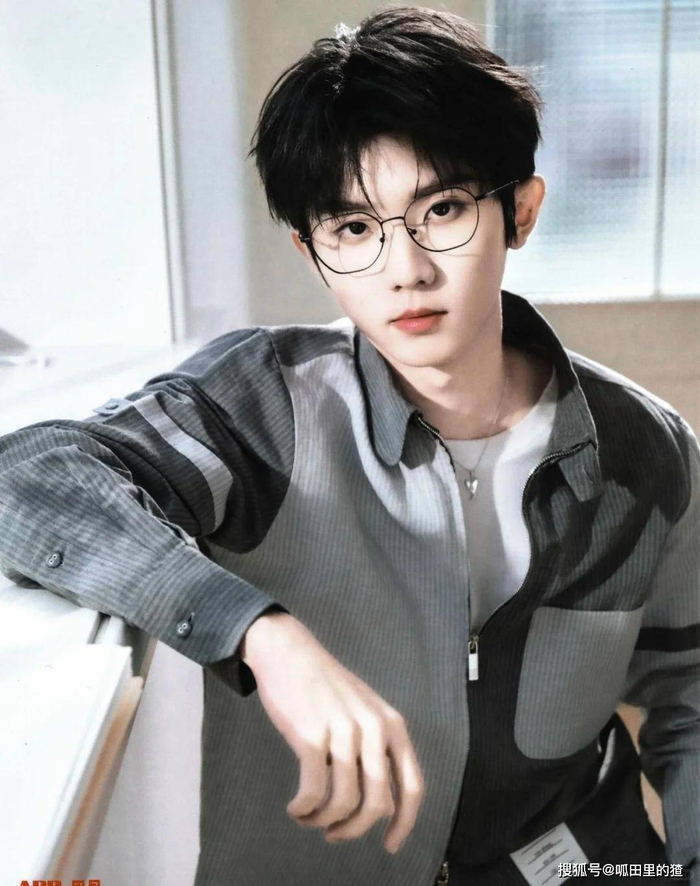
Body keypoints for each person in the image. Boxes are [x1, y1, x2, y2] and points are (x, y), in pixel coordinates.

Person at [0, 6, 698, 885]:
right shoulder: (266, 407)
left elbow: (692, 695)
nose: (405, 270)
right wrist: (262, 634)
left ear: (521, 211)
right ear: (312, 251)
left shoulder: (644, 448)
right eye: (355, 230)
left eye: (443, 210)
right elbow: (29, 476)